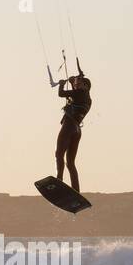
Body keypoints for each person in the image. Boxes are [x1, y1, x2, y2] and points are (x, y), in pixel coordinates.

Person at [51, 57, 92, 193]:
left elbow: (61, 93)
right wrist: (74, 79)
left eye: (79, 83)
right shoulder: (87, 97)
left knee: (58, 154)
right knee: (70, 163)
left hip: (69, 126)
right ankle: (76, 191)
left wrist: (62, 84)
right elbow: (75, 85)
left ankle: (59, 180)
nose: (76, 84)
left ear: (85, 86)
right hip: (77, 130)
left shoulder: (79, 92)